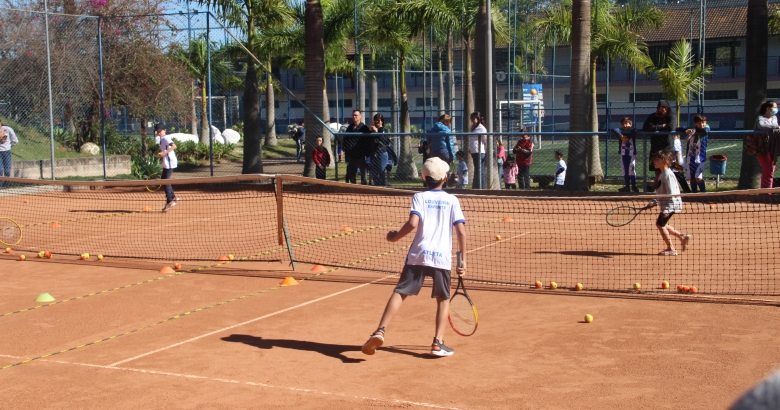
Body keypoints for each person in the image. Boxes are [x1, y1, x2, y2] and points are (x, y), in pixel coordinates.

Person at [361, 157, 467, 357]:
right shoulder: (452, 200)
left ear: (423, 178)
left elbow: (412, 224)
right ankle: (438, 343)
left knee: (400, 292)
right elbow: (461, 232)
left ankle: (380, 330)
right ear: (445, 178)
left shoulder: (419, 196)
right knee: (443, 299)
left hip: (418, 255)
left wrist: (394, 237)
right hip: (441, 259)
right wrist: (462, 262)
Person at [652, 150, 691, 256]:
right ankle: (682, 236)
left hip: (671, 205)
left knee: (660, 225)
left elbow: (672, 193)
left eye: (657, 159)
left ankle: (671, 249)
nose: (654, 161)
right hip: (668, 205)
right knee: (661, 224)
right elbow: (662, 191)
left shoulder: (667, 175)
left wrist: (667, 210)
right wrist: (654, 201)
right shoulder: (662, 174)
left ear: (664, 161)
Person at [642, 100, 677, 191]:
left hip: (667, 146)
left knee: (667, 169)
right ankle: (656, 188)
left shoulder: (671, 116)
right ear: (658, 109)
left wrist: (655, 128)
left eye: (665, 108)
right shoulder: (652, 116)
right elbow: (646, 127)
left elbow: (670, 127)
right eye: (662, 108)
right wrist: (661, 126)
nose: (664, 109)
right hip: (655, 146)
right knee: (657, 170)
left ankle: (671, 188)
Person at [753, 100, 778, 188]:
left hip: (772, 146)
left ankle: (768, 192)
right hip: (761, 147)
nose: (776, 109)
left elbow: (774, 126)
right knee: (767, 170)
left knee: (771, 171)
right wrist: (775, 127)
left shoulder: (774, 118)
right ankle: (764, 192)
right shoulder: (760, 118)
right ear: (768, 109)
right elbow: (762, 126)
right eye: (775, 107)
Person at [155, 123, 179, 212]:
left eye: (160, 131)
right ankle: (173, 197)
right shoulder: (162, 138)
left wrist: (164, 153)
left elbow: (174, 146)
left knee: (165, 181)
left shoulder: (166, 137)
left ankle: (170, 199)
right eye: (157, 131)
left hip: (170, 162)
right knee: (163, 180)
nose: (158, 132)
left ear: (165, 130)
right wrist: (162, 154)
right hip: (167, 162)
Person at [612, 117, 639, 193]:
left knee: (632, 170)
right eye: (623, 123)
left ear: (630, 124)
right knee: (625, 170)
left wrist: (628, 137)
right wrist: (621, 137)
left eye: (627, 123)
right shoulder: (621, 130)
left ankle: (634, 186)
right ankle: (627, 187)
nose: (625, 125)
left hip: (631, 154)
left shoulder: (632, 130)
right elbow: (615, 130)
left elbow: (636, 131)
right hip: (623, 154)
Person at [344, 110, 370, 184]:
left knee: (363, 172)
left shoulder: (364, 128)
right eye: (353, 115)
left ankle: (363, 186)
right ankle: (353, 187)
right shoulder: (350, 127)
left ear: (360, 116)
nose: (354, 117)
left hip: (361, 155)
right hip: (351, 154)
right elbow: (346, 139)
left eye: (356, 115)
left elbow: (368, 140)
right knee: (352, 173)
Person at [685, 115, 709, 193]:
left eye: (703, 123)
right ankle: (694, 194)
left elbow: (705, 130)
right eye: (699, 123)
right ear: (695, 123)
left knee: (698, 177)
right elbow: (681, 128)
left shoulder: (706, 128)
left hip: (701, 158)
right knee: (692, 178)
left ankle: (703, 193)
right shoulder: (691, 128)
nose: (701, 125)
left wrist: (694, 130)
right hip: (690, 157)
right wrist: (687, 130)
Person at [368, 113, 389, 187]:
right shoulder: (372, 130)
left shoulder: (384, 130)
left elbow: (384, 140)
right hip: (373, 153)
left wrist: (376, 132)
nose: (377, 122)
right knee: (373, 172)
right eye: (375, 120)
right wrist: (370, 131)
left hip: (382, 153)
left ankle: (382, 186)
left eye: (378, 120)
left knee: (381, 171)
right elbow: (368, 140)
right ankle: (376, 185)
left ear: (382, 121)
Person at [469, 112, 487, 188]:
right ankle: (478, 186)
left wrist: (487, 149)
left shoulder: (481, 128)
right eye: (471, 119)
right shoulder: (473, 127)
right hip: (474, 151)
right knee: (477, 170)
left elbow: (486, 140)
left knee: (480, 170)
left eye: (474, 119)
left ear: (478, 119)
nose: (472, 120)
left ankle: (482, 187)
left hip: (480, 151)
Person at [0, 120, 18, 187]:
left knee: (7, 170)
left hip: (6, 152)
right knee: (0, 170)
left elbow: (15, 140)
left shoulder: (8, 129)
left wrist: (9, 146)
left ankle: (6, 185)